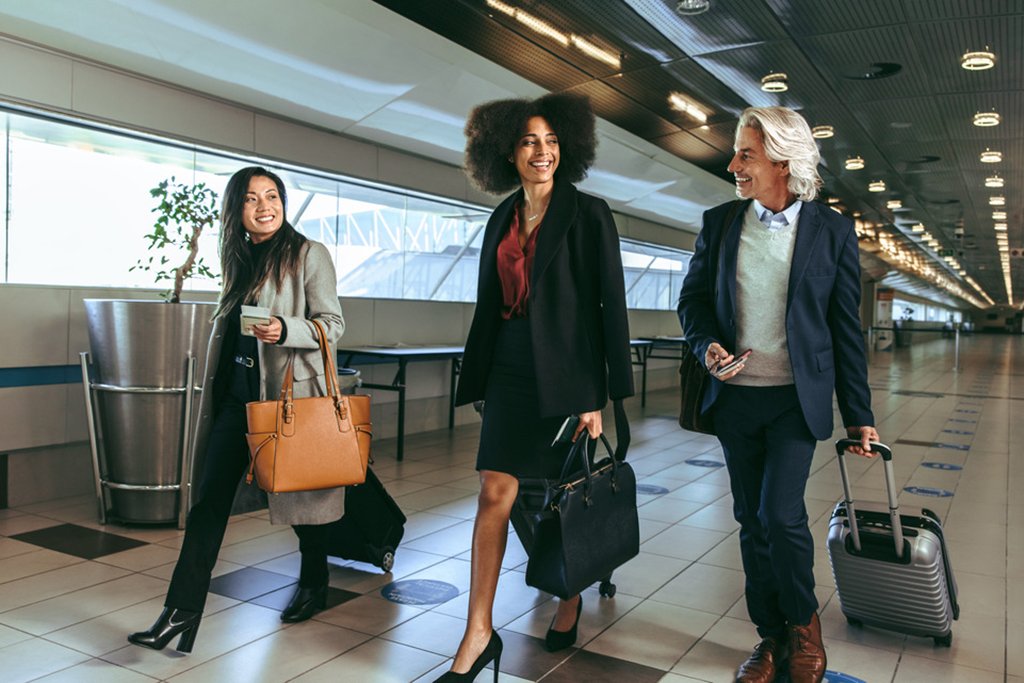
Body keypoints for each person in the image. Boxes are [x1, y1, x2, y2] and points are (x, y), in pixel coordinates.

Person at [677, 107, 879, 683]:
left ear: (782, 163)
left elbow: (845, 329)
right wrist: (707, 346)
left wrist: (859, 415)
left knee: (779, 514)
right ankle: (770, 637)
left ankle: (803, 626)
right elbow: (692, 303)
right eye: (737, 152)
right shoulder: (719, 224)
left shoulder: (832, 231)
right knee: (749, 518)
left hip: (795, 399)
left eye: (747, 154)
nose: (733, 164)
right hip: (737, 398)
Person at [439, 93, 634, 681]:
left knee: (558, 496)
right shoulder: (501, 216)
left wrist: (597, 397)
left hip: (566, 376)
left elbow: (609, 310)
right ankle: (478, 632)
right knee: (494, 493)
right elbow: (490, 303)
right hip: (509, 370)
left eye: (550, 141)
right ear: (507, 151)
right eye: (529, 141)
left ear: (565, 147)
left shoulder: (589, 213)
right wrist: (481, 376)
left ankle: (569, 592)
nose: (541, 151)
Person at [128, 166, 346, 653]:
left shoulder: (309, 254)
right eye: (252, 198)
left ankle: (315, 579)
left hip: (286, 399)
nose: (264, 206)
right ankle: (180, 613)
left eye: (272, 196)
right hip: (235, 400)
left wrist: (285, 329)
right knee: (207, 505)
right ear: (237, 209)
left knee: (300, 501)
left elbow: (332, 324)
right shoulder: (238, 255)